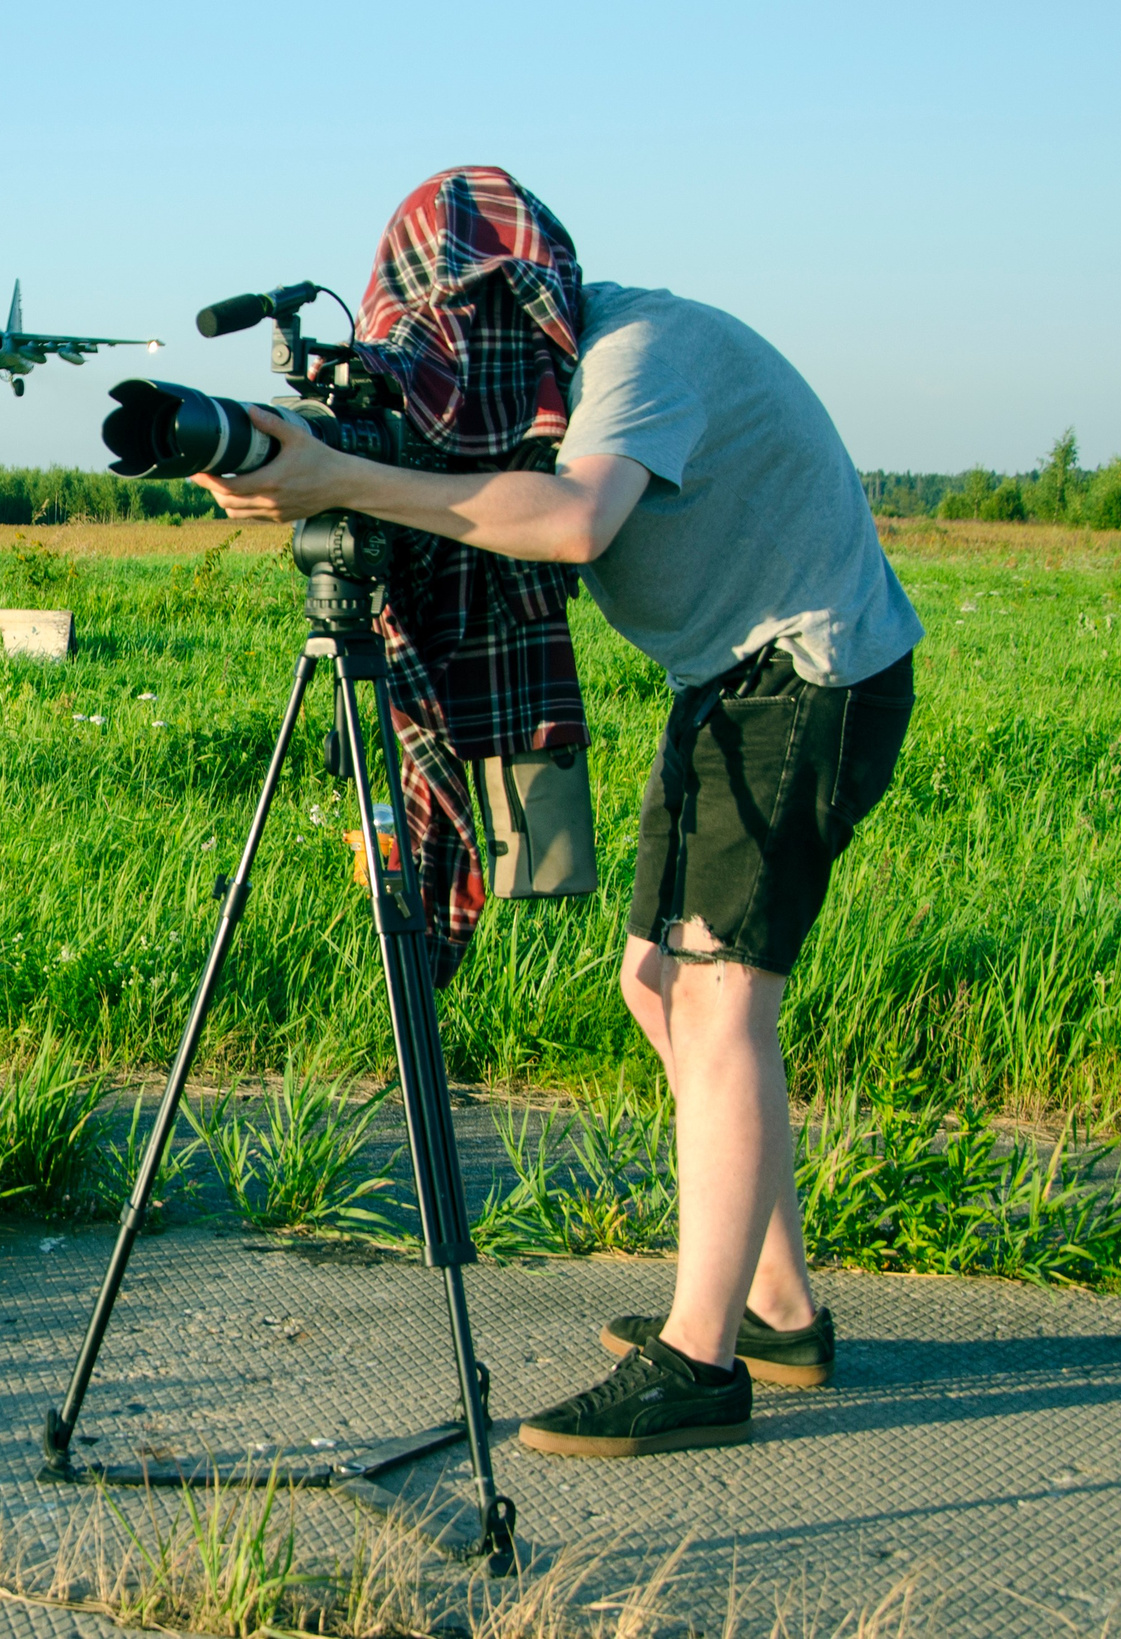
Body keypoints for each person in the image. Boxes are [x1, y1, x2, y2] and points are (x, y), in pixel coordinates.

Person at [195, 167, 922, 1458]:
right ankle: (777, 1312)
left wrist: (346, 479)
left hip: (809, 674)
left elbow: (575, 524)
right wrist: (297, 458)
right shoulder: (540, 375)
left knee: (717, 997)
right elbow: (451, 467)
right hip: (730, 679)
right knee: (660, 985)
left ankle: (700, 1368)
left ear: (520, 301)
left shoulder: (640, 352)